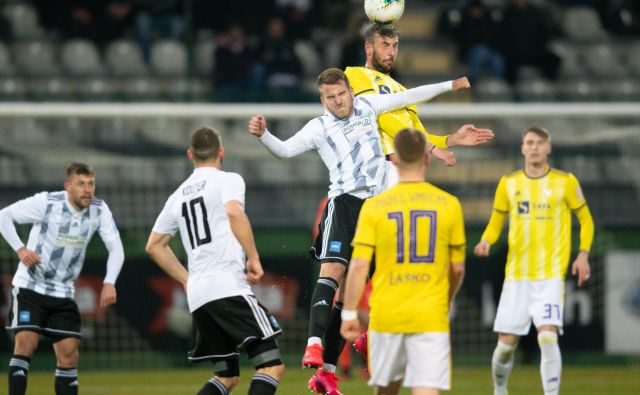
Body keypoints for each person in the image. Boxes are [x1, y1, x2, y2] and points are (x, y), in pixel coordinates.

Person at [248, 67, 478, 395]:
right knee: (333, 272)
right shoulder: (318, 127)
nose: (338, 102)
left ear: (351, 92)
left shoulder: (369, 107)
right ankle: (314, 344)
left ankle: (329, 370)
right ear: (322, 99)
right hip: (344, 204)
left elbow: (409, 96)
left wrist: (449, 85)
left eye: (342, 95)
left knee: (358, 291)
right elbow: (284, 151)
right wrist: (264, 135)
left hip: (377, 209)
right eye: (330, 97)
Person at [146, 127, 285, 395]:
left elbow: (154, 246)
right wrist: (253, 257)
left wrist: (186, 279)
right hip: (227, 287)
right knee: (271, 367)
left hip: (199, 295)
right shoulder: (228, 180)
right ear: (222, 152)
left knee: (226, 376)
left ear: (190, 155)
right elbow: (233, 212)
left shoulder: (178, 195)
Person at [341, 128, 466, 395]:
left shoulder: (375, 206)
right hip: (430, 313)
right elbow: (456, 268)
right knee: (426, 389)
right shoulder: (449, 204)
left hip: (386, 314)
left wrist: (349, 313)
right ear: (427, 159)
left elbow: (359, 266)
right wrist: (448, 300)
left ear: (394, 159)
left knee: (386, 390)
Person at [473, 126, 594, 395]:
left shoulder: (566, 182)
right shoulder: (509, 183)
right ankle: (500, 387)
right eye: (530, 142)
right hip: (517, 277)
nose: (535, 147)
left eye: (540, 142)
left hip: (550, 275)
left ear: (548, 147)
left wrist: (583, 254)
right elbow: (496, 222)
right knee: (506, 344)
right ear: (522, 148)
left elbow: (585, 220)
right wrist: (485, 240)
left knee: (548, 336)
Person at [0, 162, 125, 395]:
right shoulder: (47, 203)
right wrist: (21, 249)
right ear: (68, 186)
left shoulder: (99, 209)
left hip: (64, 292)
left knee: (69, 354)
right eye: (81, 184)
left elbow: (116, 248)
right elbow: (3, 217)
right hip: (30, 287)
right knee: (26, 342)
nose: (87, 190)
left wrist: (109, 282)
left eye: (91, 184)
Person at [345, 22, 495, 186]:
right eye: (385, 45)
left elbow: (419, 134)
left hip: (405, 171)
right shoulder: (354, 74)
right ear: (368, 48)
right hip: (376, 170)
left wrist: (450, 140)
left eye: (395, 46)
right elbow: (383, 119)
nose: (391, 52)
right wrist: (434, 149)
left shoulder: (401, 90)